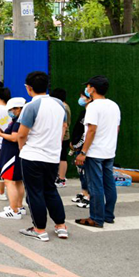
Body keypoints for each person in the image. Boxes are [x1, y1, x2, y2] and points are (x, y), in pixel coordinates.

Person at [17, 71, 69, 242]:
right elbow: (63, 127)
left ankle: (39, 229)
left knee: (35, 193)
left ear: (28, 88)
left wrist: (22, 149)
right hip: (52, 156)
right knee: (50, 190)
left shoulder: (31, 106)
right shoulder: (59, 104)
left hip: (32, 156)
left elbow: (22, 134)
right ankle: (61, 226)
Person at [75, 75, 121, 228]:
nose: (86, 89)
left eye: (88, 87)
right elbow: (116, 128)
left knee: (95, 185)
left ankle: (96, 218)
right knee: (109, 184)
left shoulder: (93, 107)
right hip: (109, 151)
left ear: (92, 89)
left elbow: (91, 130)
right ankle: (108, 215)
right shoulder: (114, 105)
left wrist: (83, 152)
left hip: (95, 152)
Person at [0, 97, 27, 219]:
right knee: (18, 181)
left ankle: (14, 210)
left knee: (9, 181)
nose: (10, 112)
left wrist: (0, 134)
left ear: (19, 109)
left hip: (12, 154)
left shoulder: (18, 122)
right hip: (16, 154)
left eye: (12, 109)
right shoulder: (19, 120)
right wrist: (2, 132)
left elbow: (14, 138)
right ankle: (19, 206)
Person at [70, 89, 93, 208]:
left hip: (83, 147)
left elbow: (87, 133)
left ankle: (89, 196)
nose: (80, 99)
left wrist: (78, 146)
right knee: (81, 171)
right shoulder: (84, 112)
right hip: (78, 146)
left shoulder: (91, 113)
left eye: (82, 96)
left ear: (89, 98)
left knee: (86, 172)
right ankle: (84, 192)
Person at [49, 88, 72, 188]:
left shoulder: (64, 107)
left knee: (62, 157)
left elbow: (65, 124)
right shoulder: (63, 106)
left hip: (63, 136)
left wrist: (60, 138)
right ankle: (59, 176)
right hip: (60, 135)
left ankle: (61, 179)